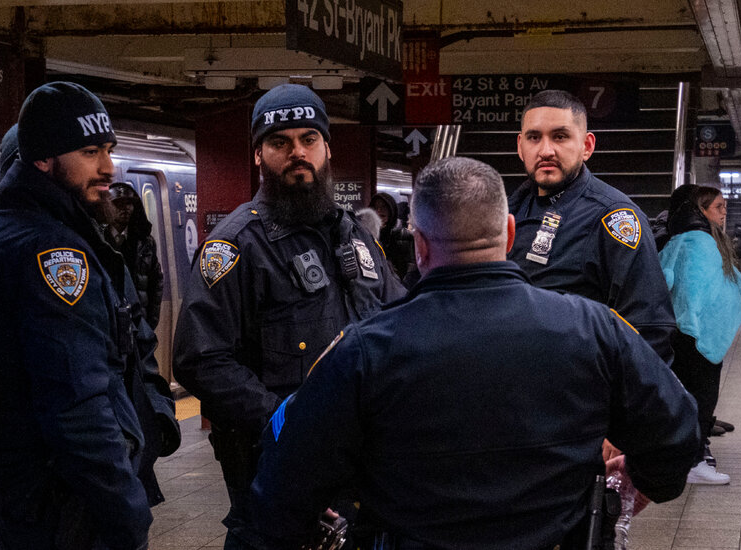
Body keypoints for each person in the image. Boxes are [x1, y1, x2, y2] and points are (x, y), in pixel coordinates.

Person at [248, 156, 700, 550]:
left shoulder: (364, 349)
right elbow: (677, 430)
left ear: (420, 245)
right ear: (507, 232)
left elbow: (284, 482)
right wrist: (647, 482)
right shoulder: (594, 328)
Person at [172, 83, 406, 550]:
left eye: (308, 139)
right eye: (280, 142)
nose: (297, 152)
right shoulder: (237, 245)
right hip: (277, 475)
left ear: (326, 147)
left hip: (364, 470)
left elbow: (399, 321)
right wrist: (286, 420)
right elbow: (201, 358)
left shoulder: (356, 236)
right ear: (259, 154)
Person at [0, 81, 179, 550]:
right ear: (43, 158)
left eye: (108, 149)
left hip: (18, 494)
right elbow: (77, 408)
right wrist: (129, 513)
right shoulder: (51, 252)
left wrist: (155, 422)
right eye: (89, 152)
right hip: (64, 504)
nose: (108, 168)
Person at [508, 90, 677, 365]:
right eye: (534, 137)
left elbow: (650, 333)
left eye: (560, 136)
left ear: (587, 146)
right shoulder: (507, 212)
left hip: (576, 395)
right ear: (520, 146)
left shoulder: (614, 218)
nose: (546, 150)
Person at [659, 185, 741, 485]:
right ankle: (694, 461)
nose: (724, 213)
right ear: (700, 210)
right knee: (699, 396)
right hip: (693, 336)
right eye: (718, 207)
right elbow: (696, 293)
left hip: (686, 334)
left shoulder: (688, 238)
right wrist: (703, 327)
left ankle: (690, 455)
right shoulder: (699, 241)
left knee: (692, 396)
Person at [107, 182, 165, 330]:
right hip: (109, 322)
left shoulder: (145, 243)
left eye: (129, 204)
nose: (125, 208)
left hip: (138, 322)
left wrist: (149, 323)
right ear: (107, 207)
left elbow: (156, 282)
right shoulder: (97, 239)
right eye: (118, 204)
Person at [370, 191, 415, 280]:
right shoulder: (367, 235)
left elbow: (411, 268)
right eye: (375, 207)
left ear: (391, 210)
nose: (379, 210)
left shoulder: (404, 235)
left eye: (383, 207)